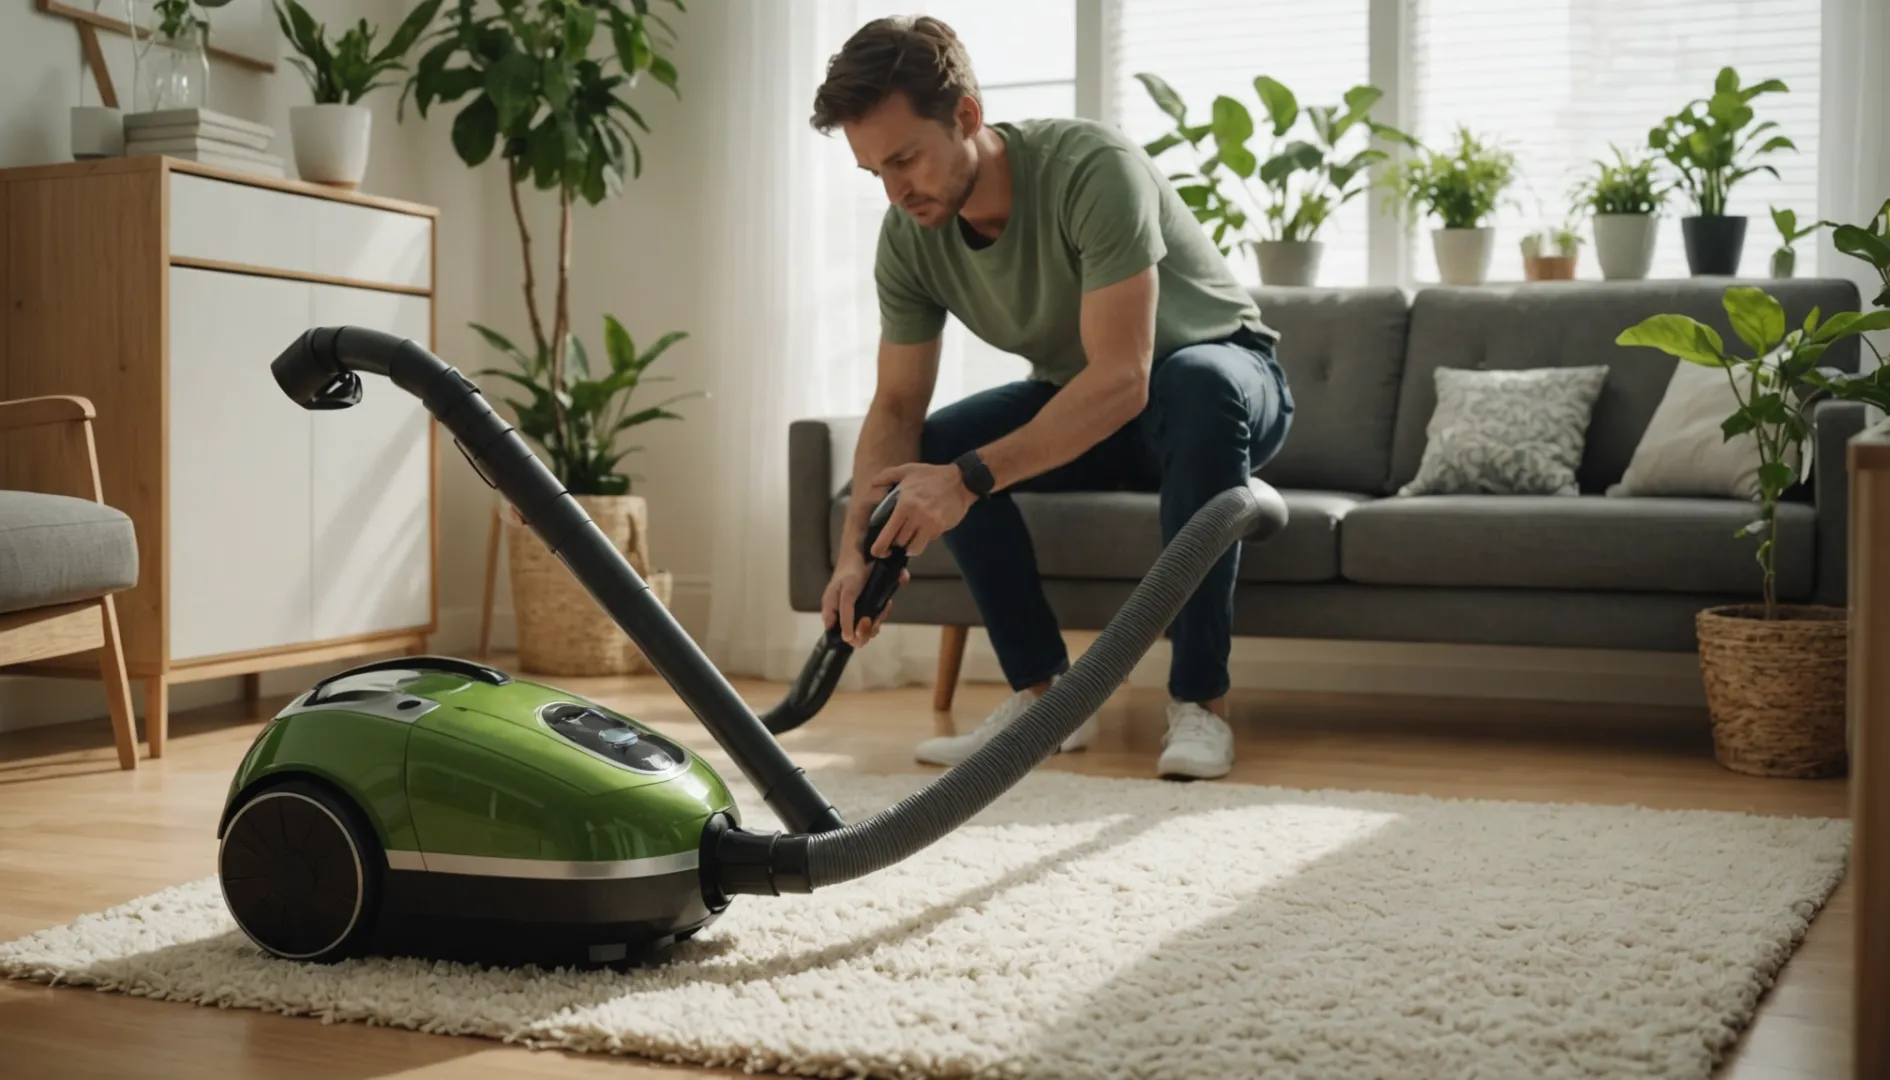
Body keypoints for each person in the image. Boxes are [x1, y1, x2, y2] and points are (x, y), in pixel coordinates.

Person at [809, 15, 1294, 780]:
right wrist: (851, 558)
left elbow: (1125, 376)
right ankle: (1045, 697)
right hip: (1089, 407)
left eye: (906, 159)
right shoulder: (909, 237)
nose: (897, 191)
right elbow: (897, 406)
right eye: (875, 173)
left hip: (1223, 386)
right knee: (935, 446)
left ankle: (1200, 705)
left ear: (967, 115)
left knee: (1192, 381)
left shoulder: (1091, 169)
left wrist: (967, 482)